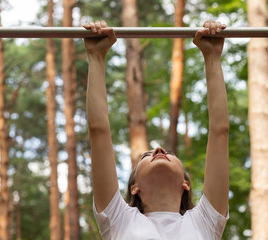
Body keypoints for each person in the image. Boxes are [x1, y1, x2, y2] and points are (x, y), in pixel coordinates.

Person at [84, 19, 229, 240]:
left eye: (169, 153)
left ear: (185, 184)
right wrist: (95, 56)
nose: (159, 149)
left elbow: (220, 131)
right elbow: (98, 130)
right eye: (147, 155)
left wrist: (212, 57)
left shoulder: (204, 222)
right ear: (134, 188)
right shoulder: (118, 219)